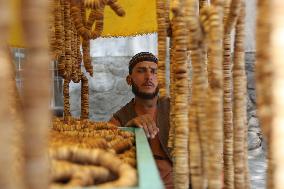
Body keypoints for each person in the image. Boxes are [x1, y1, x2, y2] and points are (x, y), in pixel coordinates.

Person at [109, 52, 173, 189]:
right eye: (141, 71)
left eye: (154, 72)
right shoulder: (119, 119)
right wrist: (128, 130)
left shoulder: (177, 110)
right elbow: (108, 155)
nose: (149, 77)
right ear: (129, 79)